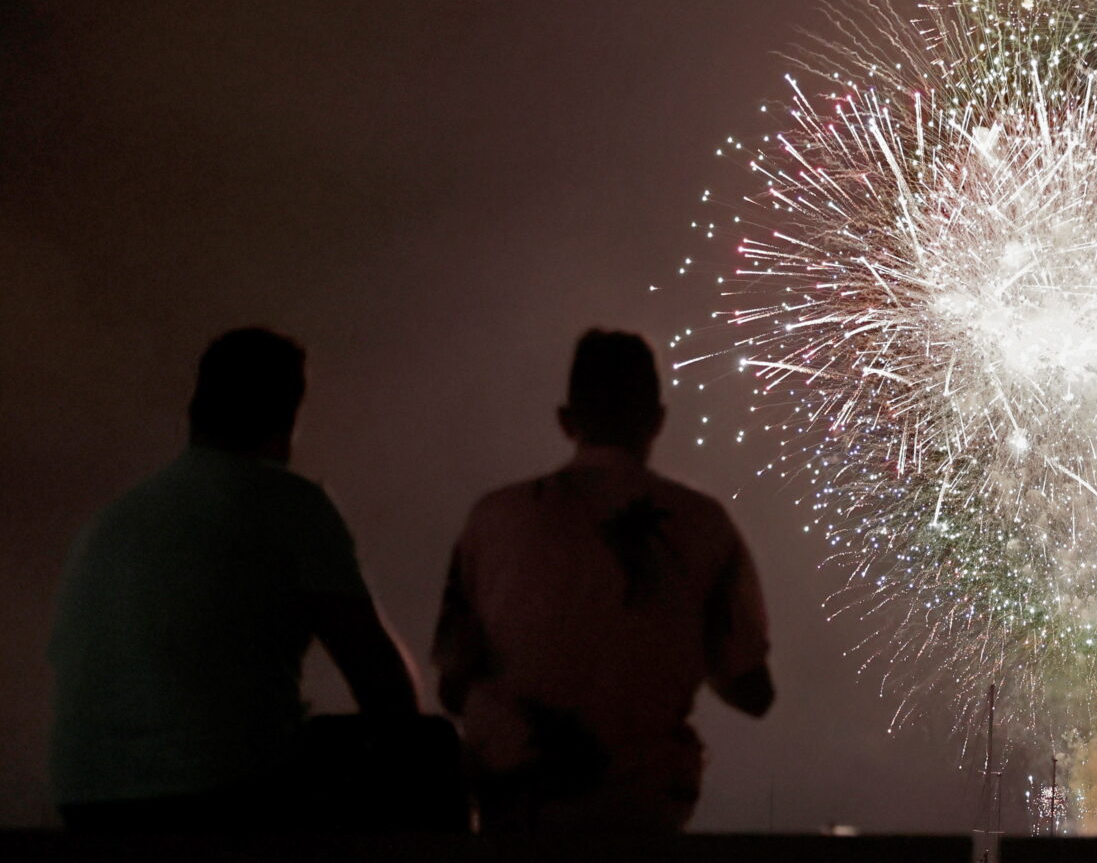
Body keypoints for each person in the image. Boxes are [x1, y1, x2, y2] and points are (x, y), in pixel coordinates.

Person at [48, 328, 420, 831]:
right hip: (220, 794)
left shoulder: (115, 519)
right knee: (427, 751)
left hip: (87, 797)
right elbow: (382, 684)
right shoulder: (288, 503)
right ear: (290, 413)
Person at [434, 329, 773, 831]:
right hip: (643, 805)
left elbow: (451, 685)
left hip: (519, 799)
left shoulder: (493, 517)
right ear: (657, 420)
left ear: (566, 420)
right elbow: (753, 693)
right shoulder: (702, 523)